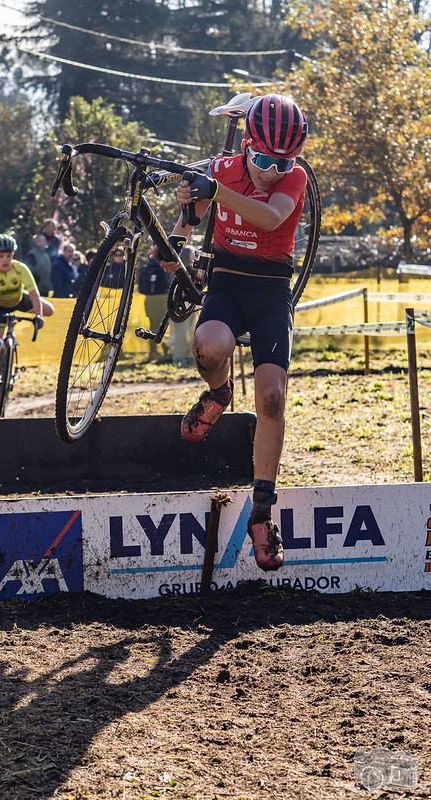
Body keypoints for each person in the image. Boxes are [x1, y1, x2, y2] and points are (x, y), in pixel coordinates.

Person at [159, 94, 309, 573]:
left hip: (270, 289)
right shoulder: (221, 166)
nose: (270, 171)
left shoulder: (294, 177)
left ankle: (262, 512)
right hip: (226, 282)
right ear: (247, 143)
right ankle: (219, 391)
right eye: (262, 159)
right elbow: (185, 223)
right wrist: (176, 233)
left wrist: (214, 191)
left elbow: (269, 217)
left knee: (272, 397)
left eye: (281, 162)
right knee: (209, 346)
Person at [0, 233, 55, 409]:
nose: (5, 260)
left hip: (18, 300)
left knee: (50, 310)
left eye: (9, 256)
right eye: (1, 256)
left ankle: (10, 352)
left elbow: (34, 295)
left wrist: (38, 315)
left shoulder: (20, 269)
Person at [137, 255, 171, 360]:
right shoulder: (164, 270)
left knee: (153, 325)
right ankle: (164, 349)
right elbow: (167, 284)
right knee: (164, 326)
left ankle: (153, 350)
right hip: (162, 300)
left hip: (149, 301)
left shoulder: (147, 269)